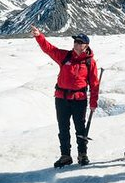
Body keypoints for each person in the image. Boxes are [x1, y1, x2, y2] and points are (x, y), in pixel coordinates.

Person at [31, 25, 99, 168]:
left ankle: (82, 154)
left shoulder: (89, 62)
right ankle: (65, 156)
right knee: (63, 128)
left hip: (79, 100)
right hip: (61, 98)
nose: (76, 44)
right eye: (75, 41)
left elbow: (94, 84)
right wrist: (39, 36)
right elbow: (49, 49)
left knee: (80, 128)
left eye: (79, 42)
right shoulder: (65, 56)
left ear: (86, 45)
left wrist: (93, 102)